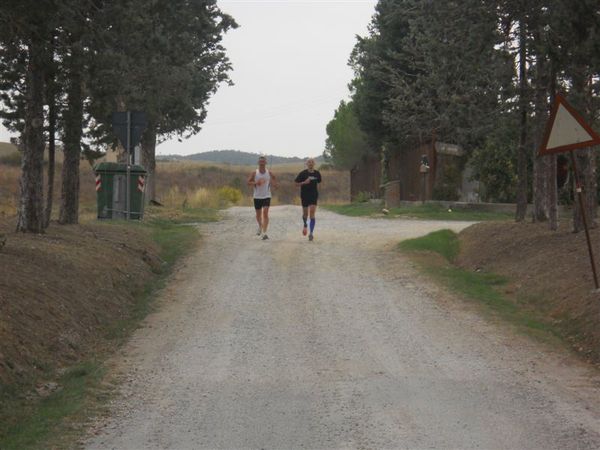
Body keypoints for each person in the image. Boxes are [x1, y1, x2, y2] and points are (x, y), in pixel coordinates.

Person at [248, 155, 277, 240]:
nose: (262, 162)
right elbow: (248, 182)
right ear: (258, 162)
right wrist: (256, 183)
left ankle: (264, 233)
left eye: (263, 161)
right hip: (257, 196)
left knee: (265, 213)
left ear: (266, 163)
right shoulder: (254, 173)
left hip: (267, 195)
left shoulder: (269, 173)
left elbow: (274, 178)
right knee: (258, 215)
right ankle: (260, 226)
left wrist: (275, 184)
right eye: (260, 161)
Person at [294, 158, 322, 241]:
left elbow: (319, 183)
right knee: (305, 214)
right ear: (306, 164)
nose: (310, 163)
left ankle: (311, 233)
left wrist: (318, 193)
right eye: (309, 162)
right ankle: (305, 224)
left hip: (313, 195)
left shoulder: (317, 173)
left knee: (312, 213)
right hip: (304, 195)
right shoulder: (303, 173)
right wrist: (304, 183)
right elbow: (295, 183)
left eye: (312, 162)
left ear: (314, 164)